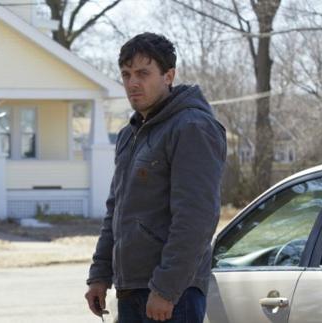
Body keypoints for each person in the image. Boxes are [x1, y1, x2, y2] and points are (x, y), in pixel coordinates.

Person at [84, 32, 226, 323]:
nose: (132, 83)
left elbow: (196, 218)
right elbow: (116, 210)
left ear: (168, 75)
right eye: (126, 74)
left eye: (143, 73)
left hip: (173, 296)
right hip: (131, 289)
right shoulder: (129, 135)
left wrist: (166, 288)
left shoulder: (192, 127)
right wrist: (99, 274)